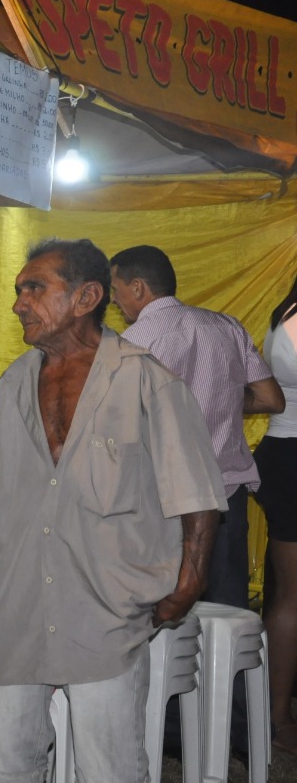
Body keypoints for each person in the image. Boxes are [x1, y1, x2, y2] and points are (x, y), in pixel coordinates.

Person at [0, 238, 225, 783]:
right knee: (3, 762)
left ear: (87, 296)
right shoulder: (15, 383)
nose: (19, 303)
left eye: (35, 288)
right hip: (17, 606)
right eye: (19, 290)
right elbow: (3, 515)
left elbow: (197, 492)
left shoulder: (146, 379)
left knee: (108, 766)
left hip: (106, 606)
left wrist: (189, 579)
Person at [110, 244, 285, 608]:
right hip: (225, 496)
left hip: (164, 500)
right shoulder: (226, 326)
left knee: (164, 614)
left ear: (138, 287)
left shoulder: (132, 344)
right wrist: (222, 398)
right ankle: (229, 669)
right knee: (227, 617)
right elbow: (271, 399)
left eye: (115, 290)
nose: (114, 301)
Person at [255, 272, 297, 754]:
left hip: (284, 453)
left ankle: (276, 710)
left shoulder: (284, 312)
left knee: (288, 593)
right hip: (292, 457)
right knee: (290, 595)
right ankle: (276, 715)